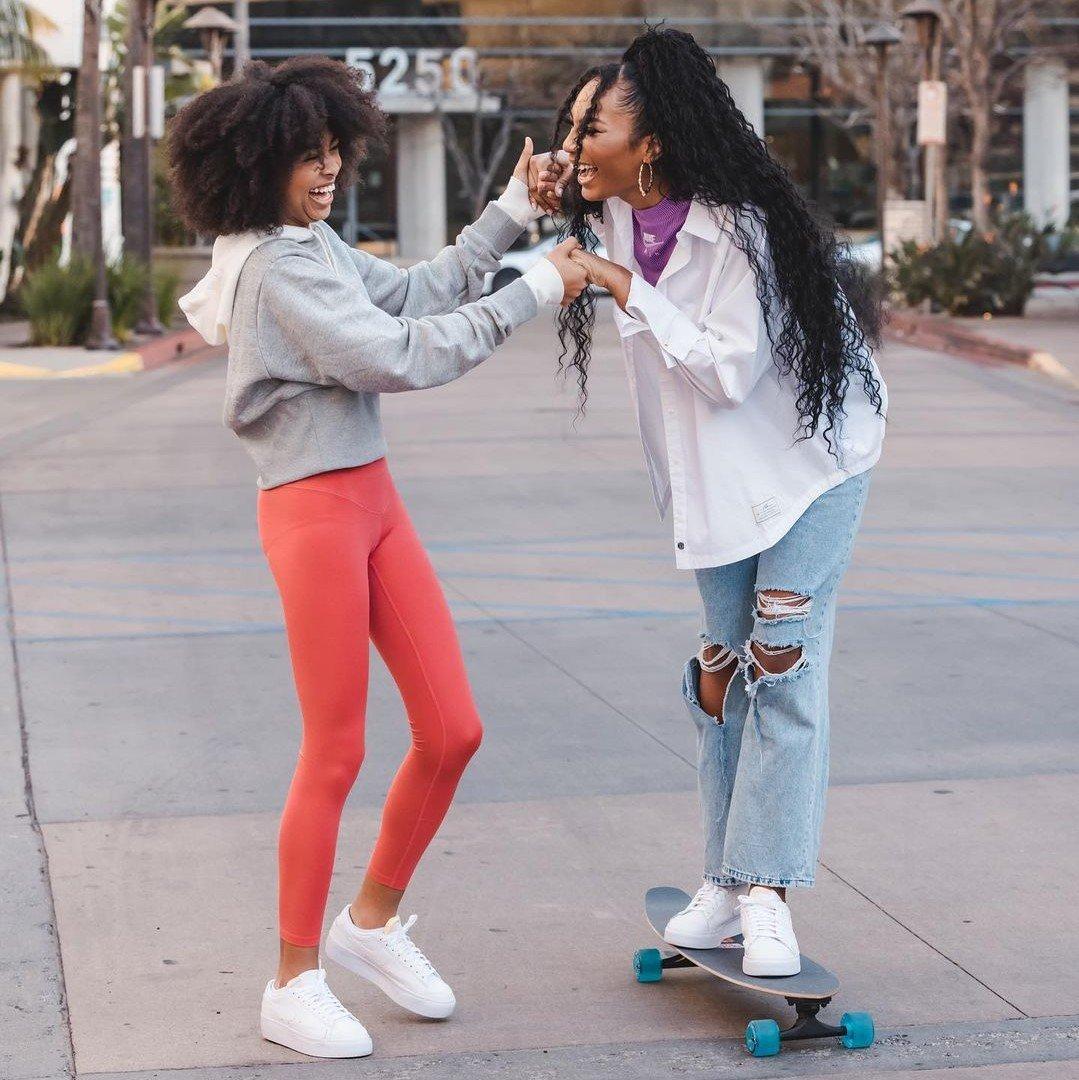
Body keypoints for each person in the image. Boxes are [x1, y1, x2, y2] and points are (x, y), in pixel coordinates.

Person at [169, 56, 585, 1059]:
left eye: (332, 154)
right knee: (336, 751)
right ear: (257, 164)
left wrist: (509, 215)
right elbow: (398, 356)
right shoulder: (272, 270)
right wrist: (534, 286)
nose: (327, 175)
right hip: (312, 512)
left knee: (451, 729)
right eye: (307, 159)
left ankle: (368, 924)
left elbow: (410, 293)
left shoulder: (306, 244)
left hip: (372, 499)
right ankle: (291, 979)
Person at [532, 27, 887, 978]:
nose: (574, 144)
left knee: (782, 660)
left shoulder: (738, 231)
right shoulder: (611, 214)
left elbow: (726, 371)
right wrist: (538, 206)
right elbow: (556, 235)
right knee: (722, 674)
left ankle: (767, 891)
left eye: (589, 127)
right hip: (719, 482)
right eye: (571, 126)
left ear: (648, 143)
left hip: (810, 466)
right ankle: (726, 883)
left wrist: (620, 285)